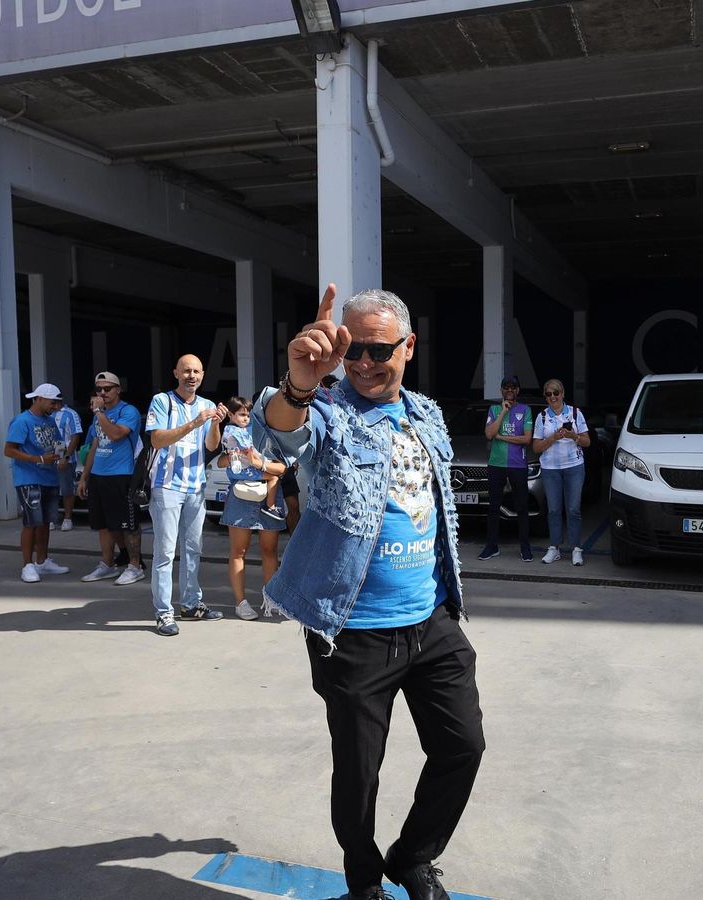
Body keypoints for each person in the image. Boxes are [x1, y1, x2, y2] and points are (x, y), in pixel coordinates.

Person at [257, 285, 482, 900]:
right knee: (358, 778)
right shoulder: (330, 412)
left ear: (408, 347)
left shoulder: (427, 414)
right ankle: (363, 886)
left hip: (431, 621)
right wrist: (299, 385)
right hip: (351, 629)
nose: (361, 364)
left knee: (463, 747)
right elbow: (279, 434)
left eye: (378, 350)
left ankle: (412, 857)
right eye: (351, 350)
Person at [145, 354, 227, 636]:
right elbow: (157, 439)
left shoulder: (206, 406)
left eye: (196, 371)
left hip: (196, 486)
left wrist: (215, 423)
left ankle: (191, 604)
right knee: (165, 552)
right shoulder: (162, 401)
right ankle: (164, 612)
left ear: (203, 375)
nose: (191, 376)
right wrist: (194, 423)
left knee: (193, 549)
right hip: (167, 487)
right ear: (176, 373)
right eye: (186, 371)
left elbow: (211, 446)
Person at [217, 396, 287, 621]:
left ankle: (271, 598)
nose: (249, 417)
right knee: (239, 551)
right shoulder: (232, 432)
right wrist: (229, 458)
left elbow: (283, 467)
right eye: (245, 413)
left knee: (269, 550)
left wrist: (260, 464)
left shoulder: (276, 432)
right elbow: (221, 460)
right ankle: (241, 602)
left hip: (267, 490)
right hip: (241, 494)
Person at [77, 372, 147, 586]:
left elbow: (116, 434)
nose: (103, 393)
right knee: (104, 524)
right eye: (99, 390)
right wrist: (85, 477)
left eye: (107, 389)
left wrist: (98, 412)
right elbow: (96, 444)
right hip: (99, 474)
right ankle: (107, 564)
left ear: (118, 389)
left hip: (122, 474)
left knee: (128, 524)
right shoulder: (100, 415)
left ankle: (135, 565)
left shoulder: (128, 411)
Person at [5, 384, 72, 583]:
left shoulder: (50, 421)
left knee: (45, 522)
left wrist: (61, 458)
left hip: (49, 478)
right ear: (39, 399)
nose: (55, 406)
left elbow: (59, 443)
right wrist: (39, 460)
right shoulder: (22, 420)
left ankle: (42, 562)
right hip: (28, 478)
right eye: (52, 402)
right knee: (31, 522)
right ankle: (27, 565)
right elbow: (9, 450)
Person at [532, 378, 591, 566]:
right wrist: (553, 437)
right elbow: (536, 447)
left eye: (555, 393)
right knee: (554, 509)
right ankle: (554, 548)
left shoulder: (575, 413)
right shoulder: (542, 417)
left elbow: (587, 441)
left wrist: (572, 435)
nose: (552, 397)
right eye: (548, 394)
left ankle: (576, 549)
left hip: (574, 466)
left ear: (562, 394)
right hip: (550, 469)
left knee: (573, 509)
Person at [478, 375, 533, 562]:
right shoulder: (494, 409)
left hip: (518, 465)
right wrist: (503, 412)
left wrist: (502, 438)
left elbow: (526, 439)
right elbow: (489, 434)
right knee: (493, 507)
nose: (510, 390)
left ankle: (525, 547)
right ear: (501, 390)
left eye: (513, 387)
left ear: (518, 390)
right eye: (506, 387)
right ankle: (491, 547)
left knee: (521, 507)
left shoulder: (525, 410)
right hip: (497, 464)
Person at [50, 397, 84, 532]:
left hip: (65, 456)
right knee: (51, 489)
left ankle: (68, 518)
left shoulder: (70, 413)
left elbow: (75, 436)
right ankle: (51, 518)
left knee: (66, 489)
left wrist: (64, 457)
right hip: (50, 457)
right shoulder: (48, 413)